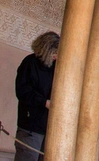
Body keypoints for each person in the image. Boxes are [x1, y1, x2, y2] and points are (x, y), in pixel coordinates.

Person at [14, 31, 59, 161]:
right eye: (54, 53)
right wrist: (44, 102)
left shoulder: (56, 66)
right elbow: (22, 91)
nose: (56, 56)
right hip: (30, 127)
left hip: (49, 127)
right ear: (46, 50)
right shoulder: (29, 63)